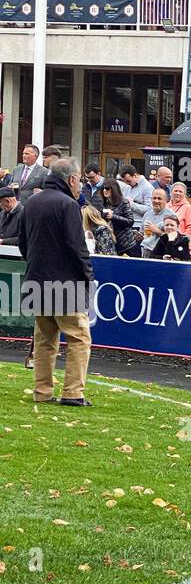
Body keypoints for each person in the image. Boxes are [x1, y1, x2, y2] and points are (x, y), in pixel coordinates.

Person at [19, 158, 93, 407]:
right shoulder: (68, 205)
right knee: (79, 338)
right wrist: (87, 275)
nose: (80, 183)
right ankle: (73, 393)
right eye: (79, 179)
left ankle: (42, 391)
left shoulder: (31, 202)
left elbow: (23, 244)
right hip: (66, 283)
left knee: (44, 340)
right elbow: (76, 246)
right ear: (71, 179)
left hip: (36, 279)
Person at [95, 179, 141, 257]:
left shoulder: (123, 202)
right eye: (103, 189)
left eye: (107, 188)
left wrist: (113, 216)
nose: (105, 191)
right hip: (112, 243)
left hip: (127, 245)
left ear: (113, 189)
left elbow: (130, 221)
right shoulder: (104, 203)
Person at [0, 179, 23, 249]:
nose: (0, 205)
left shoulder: (24, 214)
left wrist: (4, 241)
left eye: (0, 202)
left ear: (7, 201)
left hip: (16, 255)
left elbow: (25, 238)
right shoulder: (2, 213)